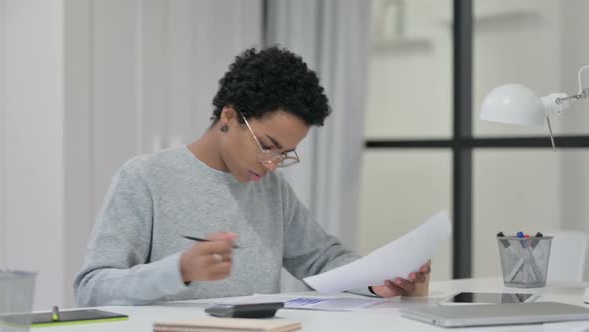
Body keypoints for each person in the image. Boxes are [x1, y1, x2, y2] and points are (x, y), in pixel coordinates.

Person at [74, 47, 431, 307]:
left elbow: (321, 260)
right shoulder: (144, 178)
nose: (273, 163)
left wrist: (377, 280)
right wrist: (179, 270)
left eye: (284, 153)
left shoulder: (272, 189)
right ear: (229, 116)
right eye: (267, 145)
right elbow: (92, 288)